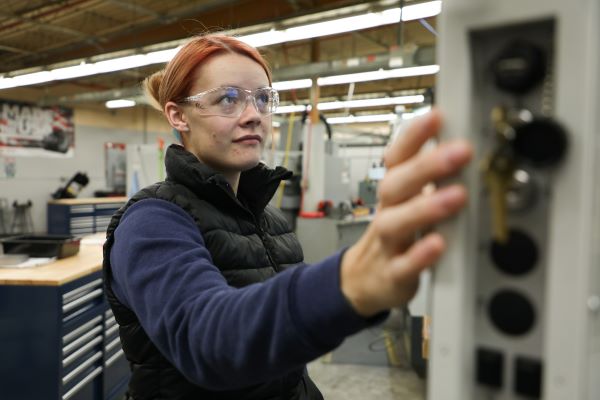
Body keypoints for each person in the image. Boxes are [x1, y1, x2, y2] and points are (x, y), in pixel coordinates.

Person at [102, 33, 472, 400]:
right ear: (178, 116)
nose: (253, 116)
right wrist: (350, 282)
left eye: (263, 99)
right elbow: (210, 341)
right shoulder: (150, 222)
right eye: (228, 99)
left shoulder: (269, 218)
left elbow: (284, 368)